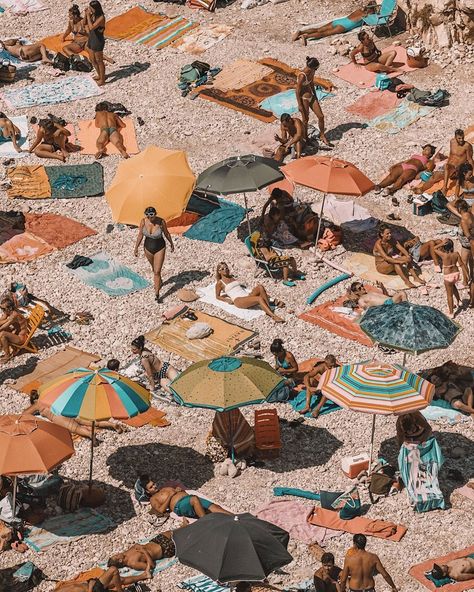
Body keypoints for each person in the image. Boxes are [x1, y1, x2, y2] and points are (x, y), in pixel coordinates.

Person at [25, 390, 124, 442]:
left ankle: (90, 435)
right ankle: (111, 424)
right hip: (66, 410)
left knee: (76, 428)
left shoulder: (37, 404)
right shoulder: (49, 396)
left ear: (34, 400)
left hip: (57, 417)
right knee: (91, 421)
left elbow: (25, 413)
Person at [215, 262, 285, 323]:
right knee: (259, 298)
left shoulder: (231, 277)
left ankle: (268, 307)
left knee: (260, 287)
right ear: (219, 271)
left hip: (246, 296)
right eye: (222, 269)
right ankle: (273, 315)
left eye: (226, 268)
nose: (225, 270)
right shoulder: (220, 283)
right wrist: (226, 300)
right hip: (238, 300)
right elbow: (217, 296)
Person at [134, 206, 174, 302]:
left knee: (157, 271)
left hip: (160, 247)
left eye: (152, 215)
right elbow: (140, 235)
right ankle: (159, 281)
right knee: (153, 268)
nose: (150, 218)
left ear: (155, 214)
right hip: (147, 248)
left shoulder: (161, 222)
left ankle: (157, 293)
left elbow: (166, 233)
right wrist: (136, 247)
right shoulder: (143, 221)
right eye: (148, 216)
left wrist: (171, 243)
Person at [293, 4, 377, 44]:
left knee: (318, 29)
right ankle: (306, 36)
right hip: (343, 27)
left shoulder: (359, 10)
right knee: (324, 33)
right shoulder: (366, 16)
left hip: (339, 21)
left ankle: (301, 32)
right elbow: (372, 22)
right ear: (370, 11)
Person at [296, 57, 334, 146]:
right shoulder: (302, 75)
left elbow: (311, 83)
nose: (316, 70)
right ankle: (306, 138)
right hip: (303, 98)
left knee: (321, 116)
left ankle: (322, 135)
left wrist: (316, 96)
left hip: (311, 96)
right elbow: (297, 90)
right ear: (311, 67)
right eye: (315, 68)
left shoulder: (312, 71)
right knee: (305, 120)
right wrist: (299, 104)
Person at [108, 529, 179, 573]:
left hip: (155, 542)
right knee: (179, 540)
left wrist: (138, 546)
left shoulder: (125, 554)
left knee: (170, 532)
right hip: (163, 549)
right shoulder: (134, 564)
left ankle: (183, 527)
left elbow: (135, 546)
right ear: (120, 560)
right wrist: (144, 551)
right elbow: (151, 566)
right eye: (116, 555)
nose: (117, 553)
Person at [149, 486, 232, 519]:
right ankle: (206, 522)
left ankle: (237, 517)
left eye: (153, 484)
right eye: (151, 487)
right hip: (179, 505)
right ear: (147, 491)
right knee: (194, 500)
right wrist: (170, 496)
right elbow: (160, 510)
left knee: (216, 507)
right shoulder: (153, 499)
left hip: (188, 497)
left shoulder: (164, 487)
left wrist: (180, 490)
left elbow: (180, 491)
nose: (154, 486)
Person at [434, 239, 469, 317]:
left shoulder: (444, 255)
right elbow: (462, 265)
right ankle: (459, 301)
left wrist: (441, 243)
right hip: (456, 274)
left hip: (448, 276)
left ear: (444, 247)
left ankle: (451, 312)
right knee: (453, 286)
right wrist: (467, 275)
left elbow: (434, 249)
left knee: (449, 295)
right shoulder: (456, 254)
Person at [55, 566, 148, 591]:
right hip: (94, 589)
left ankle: (144, 575)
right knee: (113, 570)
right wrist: (91, 587)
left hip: (91, 584)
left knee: (119, 581)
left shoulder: (57, 589)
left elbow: (71, 585)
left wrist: (84, 580)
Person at [443, 129, 474, 194]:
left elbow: (470, 159)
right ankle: (444, 188)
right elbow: (451, 154)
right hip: (451, 168)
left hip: (459, 168)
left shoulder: (467, 146)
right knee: (446, 166)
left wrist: (472, 170)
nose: (461, 140)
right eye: (459, 138)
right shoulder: (452, 142)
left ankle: (453, 193)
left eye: (462, 138)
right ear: (455, 137)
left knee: (458, 178)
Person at [85, 0, 107, 86]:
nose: (89, 9)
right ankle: (100, 75)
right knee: (92, 59)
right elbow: (85, 23)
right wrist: (86, 15)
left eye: (91, 8)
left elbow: (91, 27)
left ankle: (103, 79)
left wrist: (87, 16)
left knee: (99, 60)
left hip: (98, 40)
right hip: (92, 39)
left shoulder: (101, 17)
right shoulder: (93, 15)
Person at [0, 298, 28, 362]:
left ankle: (7, 356)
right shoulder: (8, 312)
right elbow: (1, 321)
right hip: (16, 334)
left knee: (2, 334)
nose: (2, 310)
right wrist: (7, 319)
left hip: (21, 338)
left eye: (3, 309)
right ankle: (1, 346)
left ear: (9, 308)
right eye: (1, 309)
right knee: (2, 330)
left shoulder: (14, 315)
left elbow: (6, 325)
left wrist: (7, 321)